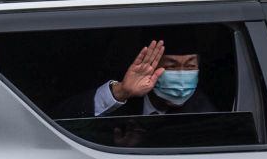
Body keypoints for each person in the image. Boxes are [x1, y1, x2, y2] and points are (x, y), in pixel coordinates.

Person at [52, 39, 216, 119]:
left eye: (189, 66)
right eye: (171, 66)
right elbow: (60, 120)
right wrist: (121, 92)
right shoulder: (123, 98)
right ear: (149, 66)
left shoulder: (203, 112)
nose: (181, 76)